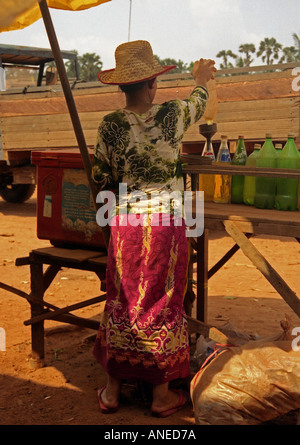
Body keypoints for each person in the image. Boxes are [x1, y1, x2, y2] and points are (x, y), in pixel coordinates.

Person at [92, 40, 216, 417]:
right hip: (165, 224)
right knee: (162, 301)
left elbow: (101, 181)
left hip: (127, 224)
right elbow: (199, 99)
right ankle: (161, 394)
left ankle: (113, 391)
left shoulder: (110, 125)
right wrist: (201, 78)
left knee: (123, 301)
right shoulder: (171, 115)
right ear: (152, 85)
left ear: (122, 87)